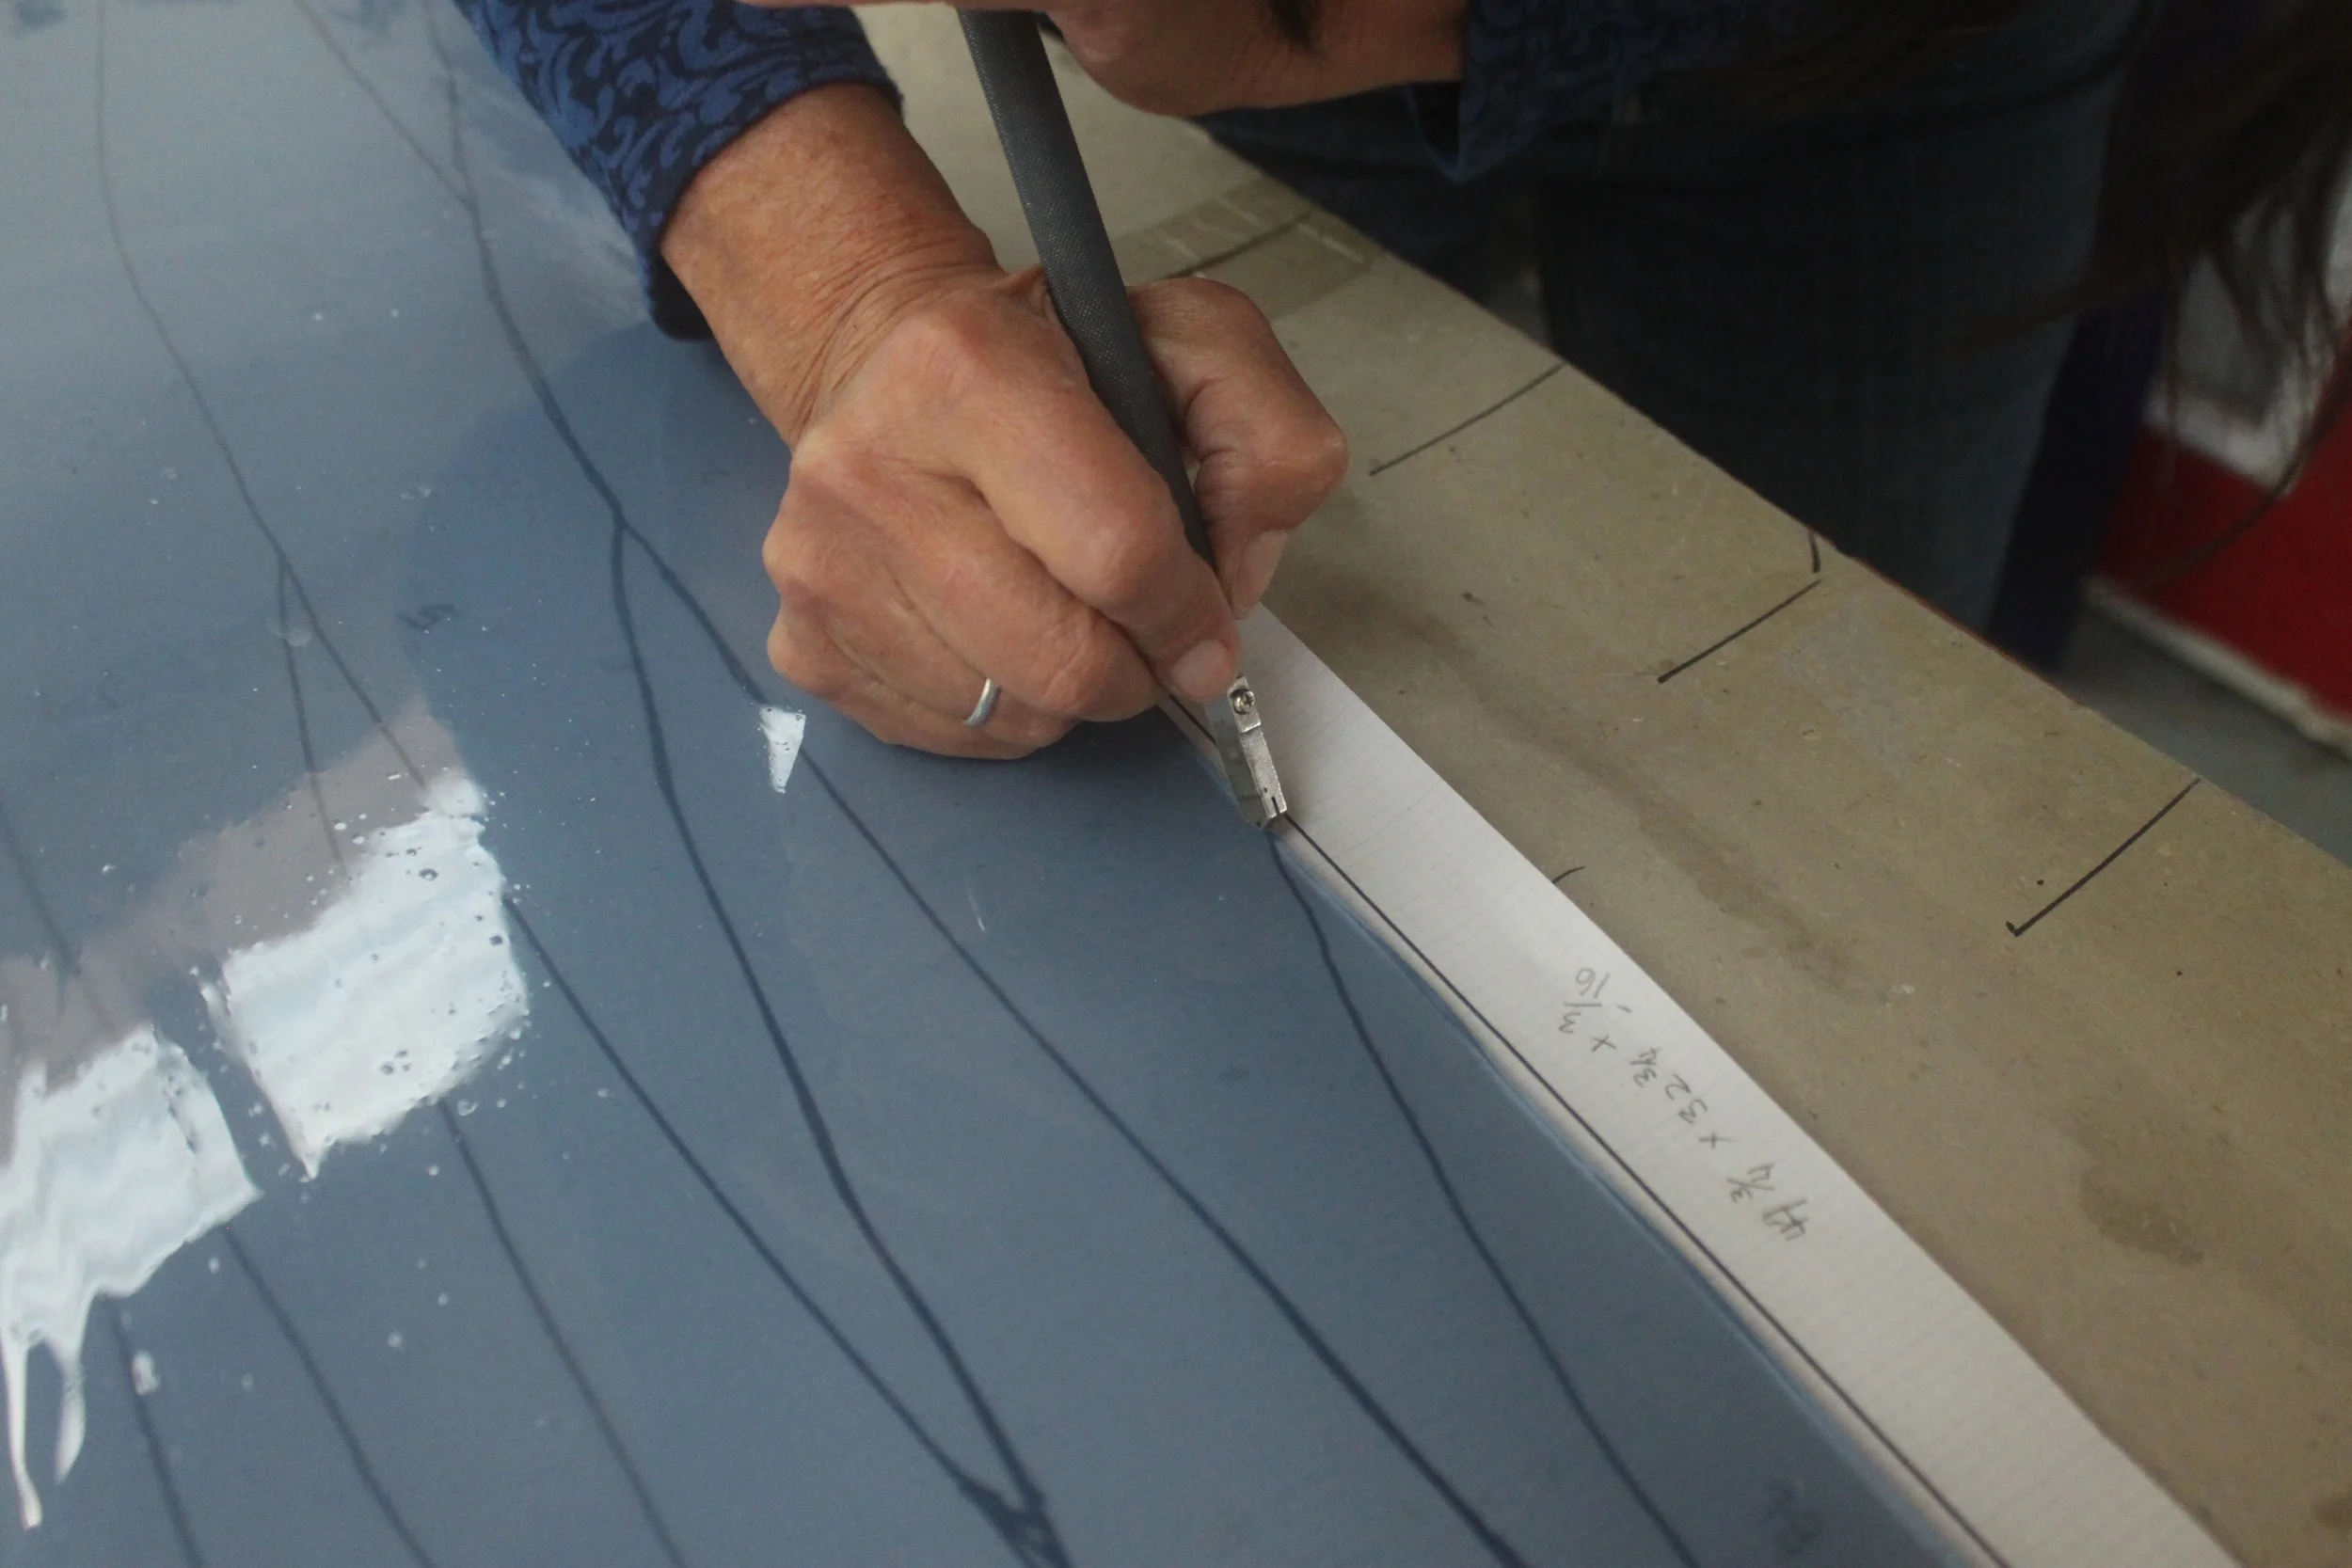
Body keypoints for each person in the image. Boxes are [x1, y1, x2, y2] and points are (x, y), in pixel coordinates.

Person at [451, 0, 2349, 757]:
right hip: (1234, 52)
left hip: (1887, 43)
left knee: (1841, 734)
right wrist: (850, 286)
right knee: (1115, 519)